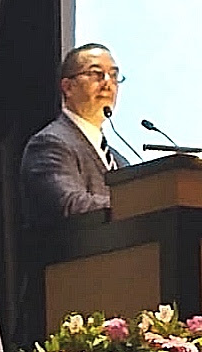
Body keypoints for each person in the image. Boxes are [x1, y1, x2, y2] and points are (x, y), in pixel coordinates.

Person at [19, 42, 128, 228]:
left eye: (114, 75)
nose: (108, 83)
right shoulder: (50, 144)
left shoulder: (119, 160)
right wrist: (136, 203)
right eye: (96, 74)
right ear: (68, 87)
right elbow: (70, 204)